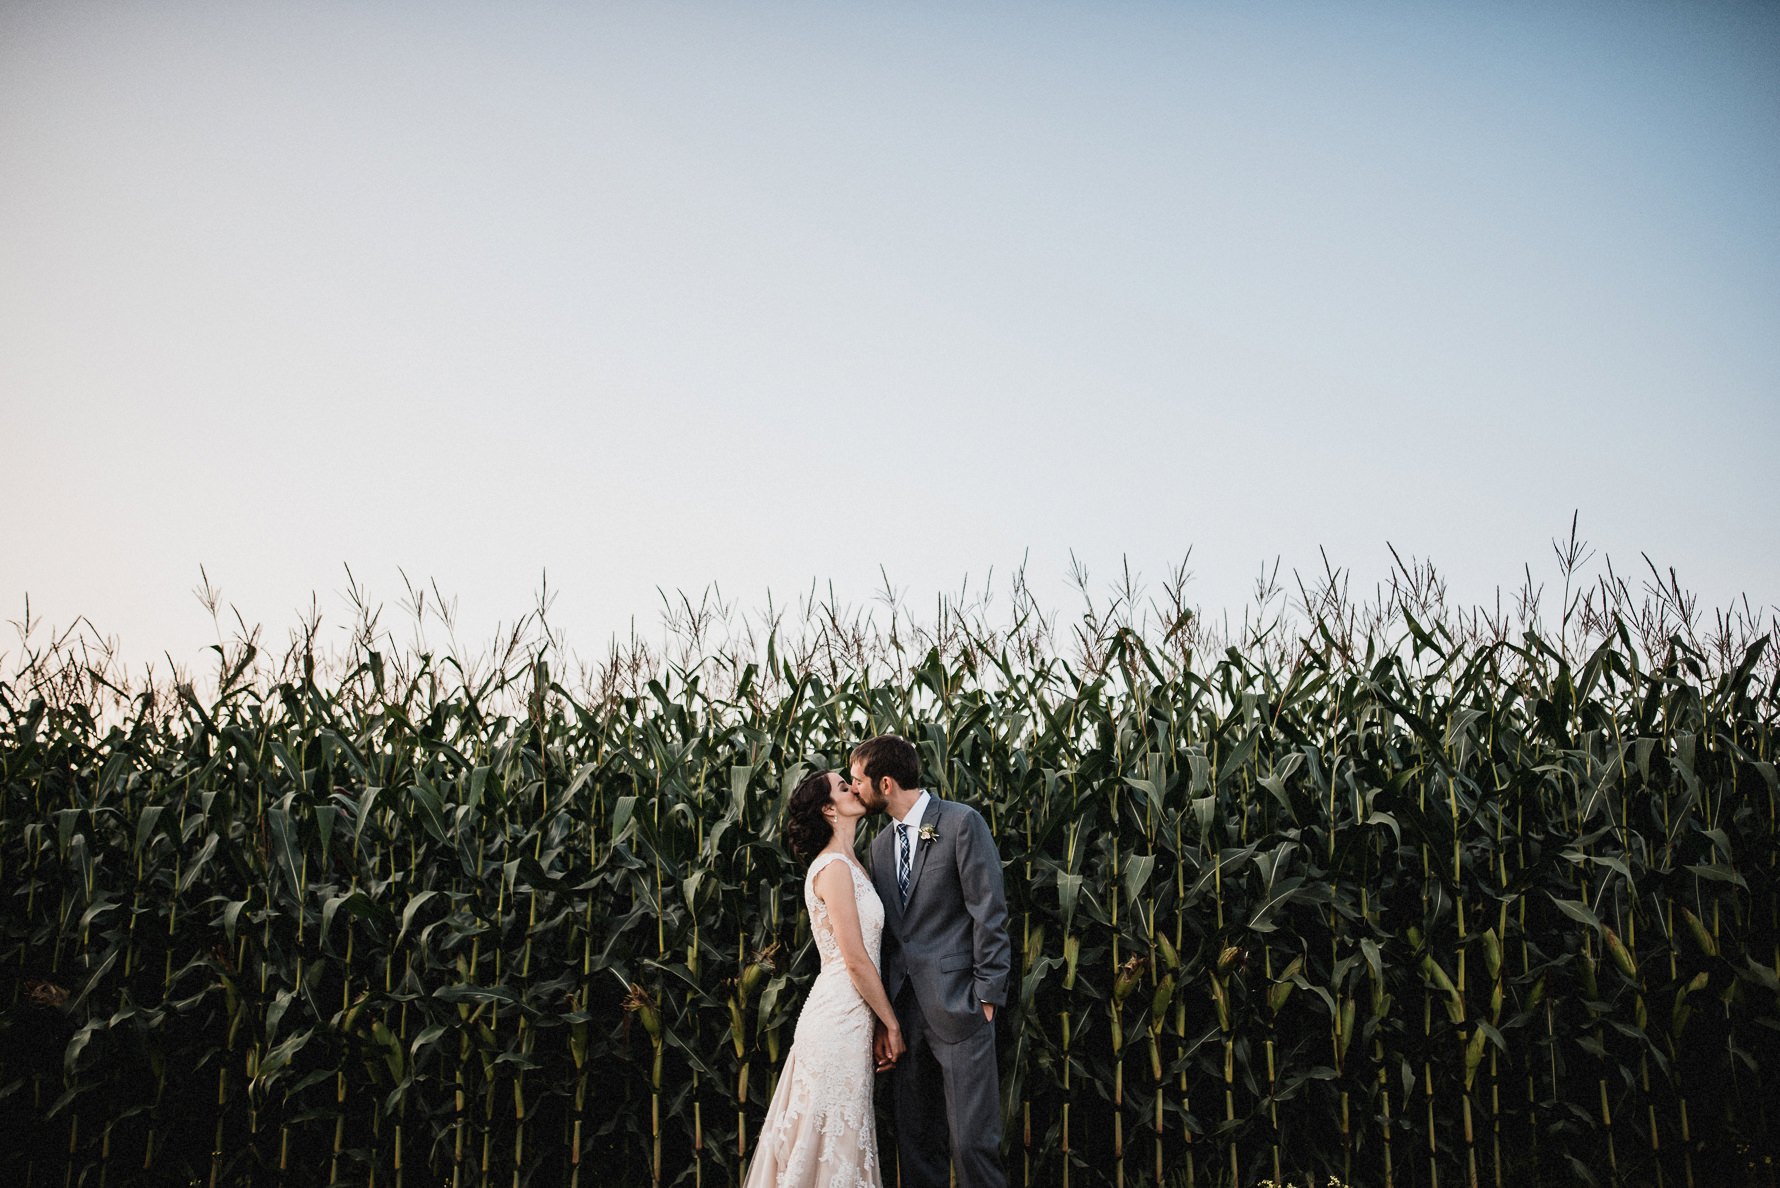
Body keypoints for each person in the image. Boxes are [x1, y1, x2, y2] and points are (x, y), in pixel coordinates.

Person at [853, 734, 1011, 1188]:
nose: (853, 789)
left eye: (857, 780)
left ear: (885, 783)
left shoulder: (962, 823)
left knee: (971, 1144)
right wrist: (886, 1019)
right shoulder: (881, 846)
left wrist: (987, 997)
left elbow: (990, 912)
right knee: (917, 1145)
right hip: (904, 1013)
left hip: (962, 1007)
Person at [742, 769, 905, 1188]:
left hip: (853, 1017)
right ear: (829, 809)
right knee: (830, 1136)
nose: (854, 788)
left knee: (842, 1137)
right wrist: (890, 1022)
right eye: (843, 786)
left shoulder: (854, 864)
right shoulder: (832, 868)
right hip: (836, 1018)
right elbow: (854, 958)